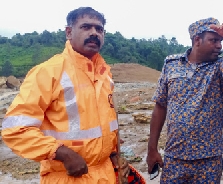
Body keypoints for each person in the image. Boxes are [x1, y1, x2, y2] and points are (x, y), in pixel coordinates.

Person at [1, 7, 129, 184]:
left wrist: (113, 153)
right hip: (67, 177)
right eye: (86, 27)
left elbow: (101, 124)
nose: (94, 33)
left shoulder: (104, 75)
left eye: (99, 29)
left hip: (105, 174)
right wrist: (62, 153)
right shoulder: (47, 72)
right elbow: (15, 130)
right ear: (69, 32)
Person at [146, 3, 223, 183]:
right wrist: (152, 149)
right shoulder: (171, 64)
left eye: (220, 41)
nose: (218, 45)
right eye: (213, 40)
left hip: (208, 161)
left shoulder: (218, 67)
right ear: (197, 40)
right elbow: (160, 107)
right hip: (174, 158)